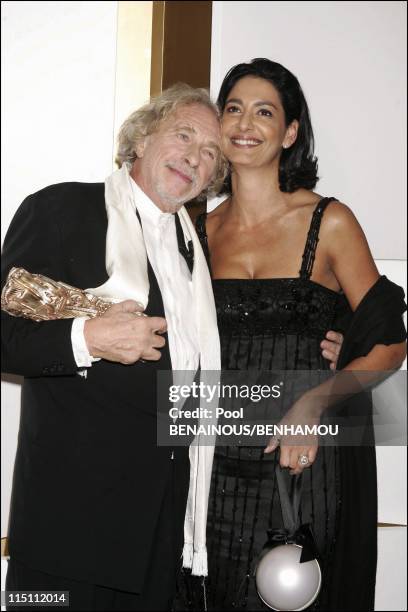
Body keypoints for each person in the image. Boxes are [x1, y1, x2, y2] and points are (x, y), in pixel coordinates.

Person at [175, 59, 407, 611]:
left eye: (264, 112)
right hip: (217, 471)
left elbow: (391, 342)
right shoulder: (194, 229)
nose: (245, 124)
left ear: (290, 132)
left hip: (306, 462)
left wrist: (319, 396)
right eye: (233, 109)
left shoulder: (331, 221)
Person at [1, 83, 227, 611]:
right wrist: (88, 338)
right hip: (64, 529)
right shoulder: (61, 208)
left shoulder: (196, 251)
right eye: (184, 135)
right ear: (143, 138)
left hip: (156, 533)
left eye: (210, 153)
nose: (195, 157)